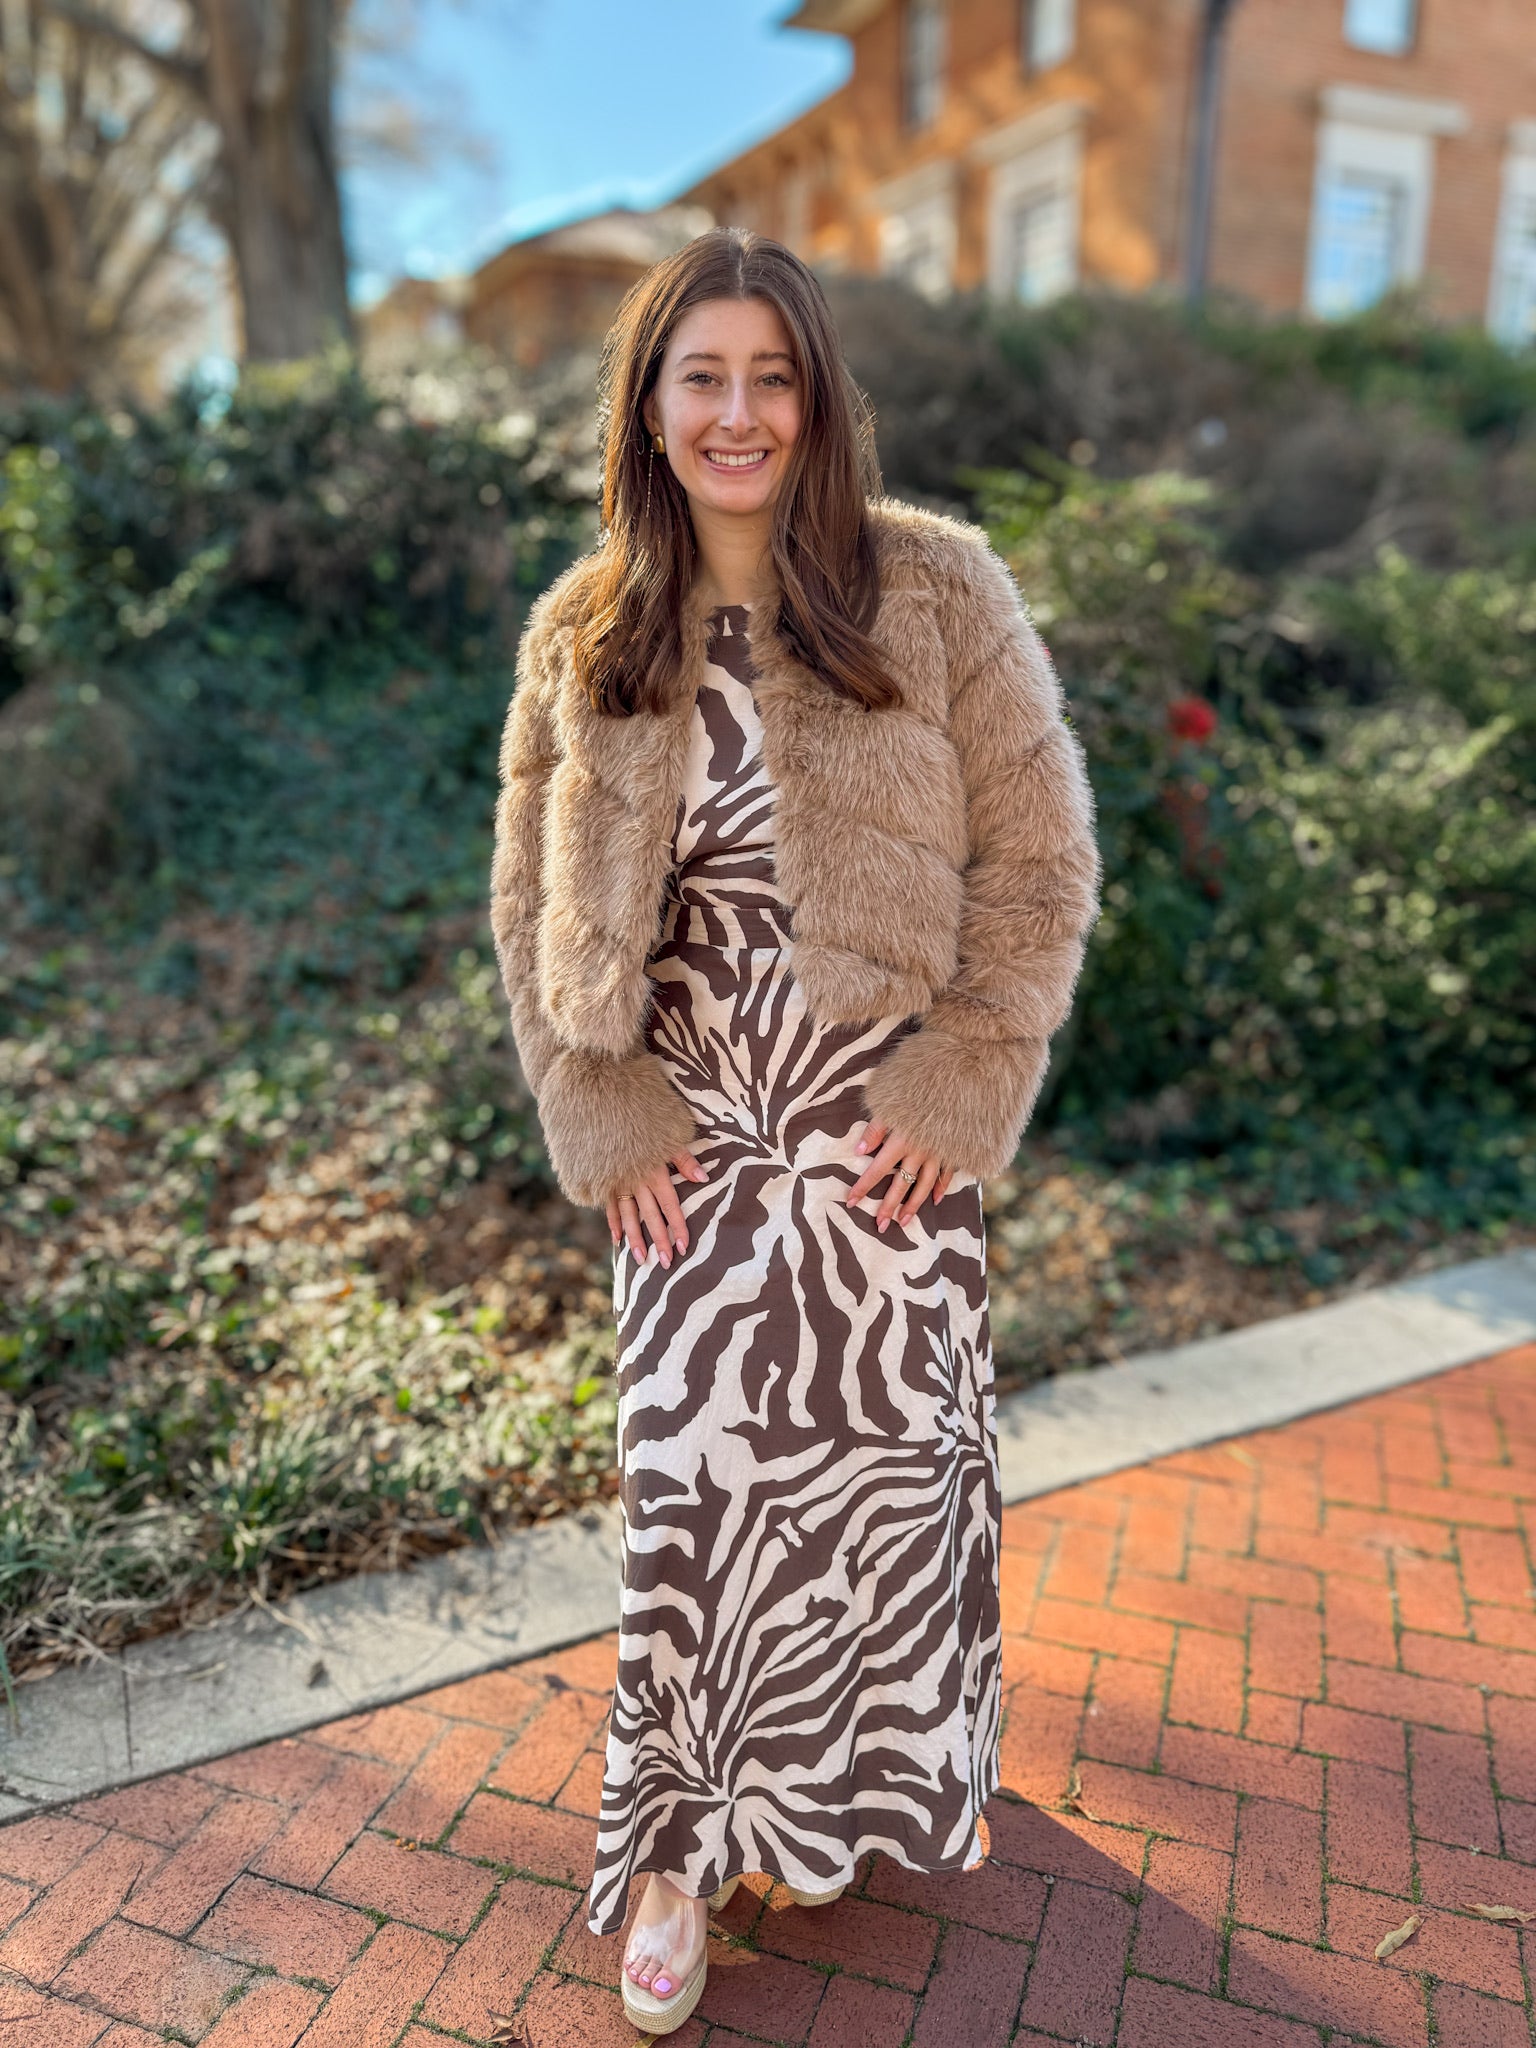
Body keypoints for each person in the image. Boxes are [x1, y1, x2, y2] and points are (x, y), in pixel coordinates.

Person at [489, 227, 1100, 2035]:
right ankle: (672, 1855)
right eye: (704, 377)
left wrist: (968, 1073)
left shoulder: (939, 588)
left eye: (773, 376)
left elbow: (1042, 859)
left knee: (883, 1494)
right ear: (651, 407)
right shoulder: (586, 628)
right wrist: (597, 1102)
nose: (739, 412)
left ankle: (836, 1803)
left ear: (818, 400)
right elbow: (527, 906)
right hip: (689, 1142)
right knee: (692, 1489)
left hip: (882, 1139)